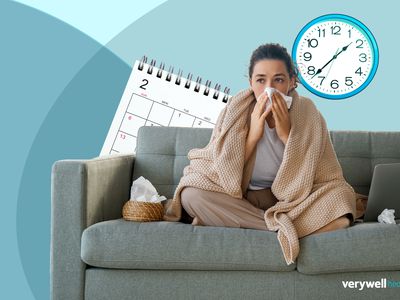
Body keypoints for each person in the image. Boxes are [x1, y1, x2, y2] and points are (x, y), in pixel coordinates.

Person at [180, 43, 350, 234]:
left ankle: (262, 225)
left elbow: (321, 174)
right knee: (192, 196)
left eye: (278, 80)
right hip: (245, 198)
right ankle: (287, 229)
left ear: (291, 82)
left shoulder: (308, 113)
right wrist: (253, 135)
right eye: (261, 80)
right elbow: (223, 171)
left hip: (293, 200)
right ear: (251, 83)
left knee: (341, 197)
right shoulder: (235, 110)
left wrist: (287, 135)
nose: (269, 89)